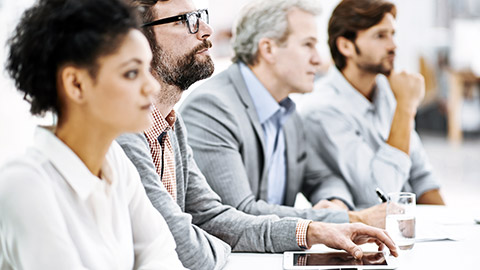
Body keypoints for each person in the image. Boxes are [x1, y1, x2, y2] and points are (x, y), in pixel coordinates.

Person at [117, 0, 398, 269]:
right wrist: (215, 242)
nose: (206, 30)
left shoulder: (172, 124)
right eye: (186, 21)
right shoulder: (133, 126)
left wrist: (313, 230)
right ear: (138, 41)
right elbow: (194, 244)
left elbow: (214, 218)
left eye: (201, 17)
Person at [0, 0, 185, 268]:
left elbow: (162, 255)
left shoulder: (116, 163)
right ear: (76, 84)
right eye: (132, 72)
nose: (152, 86)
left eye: (148, 68)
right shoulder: (25, 185)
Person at [179, 0, 385, 228]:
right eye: (308, 45)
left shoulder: (287, 112)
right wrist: (349, 219)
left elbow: (322, 178)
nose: (317, 59)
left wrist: (333, 202)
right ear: (268, 49)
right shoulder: (212, 108)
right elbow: (239, 213)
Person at [300, 0, 445, 209]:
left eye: (392, 34)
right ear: (346, 46)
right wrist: (405, 106)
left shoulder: (387, 91)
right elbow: (381, 193)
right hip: (369, 235)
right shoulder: (322, 110)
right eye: (380, 36)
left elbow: (422, 178)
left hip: (408, 226)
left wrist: (458, 228)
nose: (393, 45)